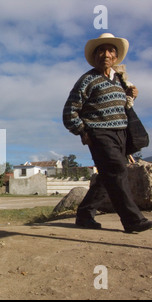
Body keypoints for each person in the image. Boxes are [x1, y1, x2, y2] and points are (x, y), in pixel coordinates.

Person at [63, 33, 152, 233]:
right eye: (101, 50)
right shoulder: (87, 80)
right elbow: (69, 111)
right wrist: (82, 131)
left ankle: (85, 215)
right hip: (99, 134)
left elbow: (120, 107)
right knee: (117, 171)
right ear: (95, 56)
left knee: (106, 176)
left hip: (120, 134)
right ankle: (133, 220)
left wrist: (131, 96)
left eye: (110, 50)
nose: (106, 54)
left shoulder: (119, 80)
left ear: (116, 56)